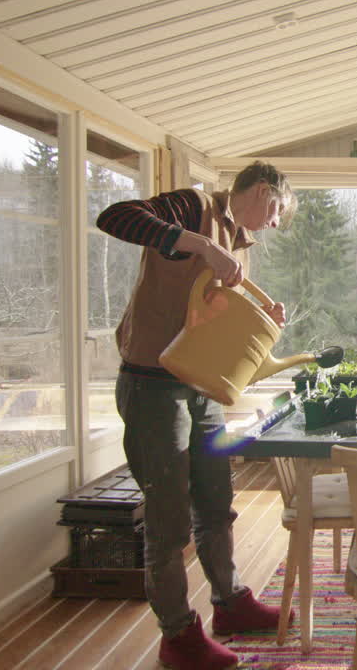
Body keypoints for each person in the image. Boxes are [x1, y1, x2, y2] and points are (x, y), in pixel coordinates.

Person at [96, 160, 297, 670]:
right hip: (152, 386)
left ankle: (230, 604)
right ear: (257, 189)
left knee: (215, 502)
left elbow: (212, 322)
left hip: (201, 388)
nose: (274, 224)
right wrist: (202, 244)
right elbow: (115, 216)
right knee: (166, 520)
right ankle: (177, 635)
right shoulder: (193, 206)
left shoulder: (240, 242)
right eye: (275, 209)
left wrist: (260, 320)